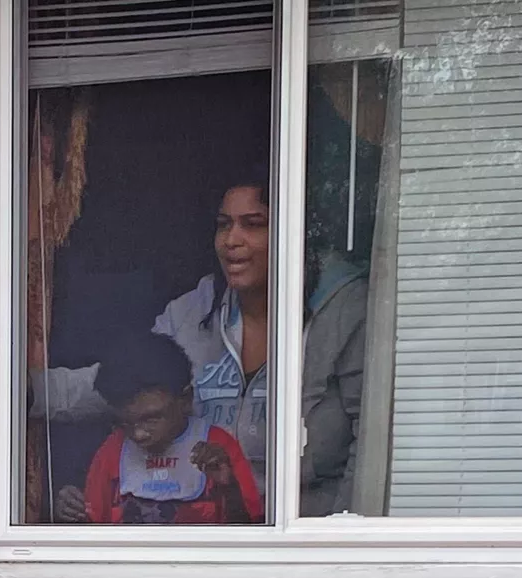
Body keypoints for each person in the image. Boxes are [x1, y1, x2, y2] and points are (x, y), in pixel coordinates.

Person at [30, 171, 369, 519]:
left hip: (303, 528)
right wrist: (24, 393)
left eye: (253, 224)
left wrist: (342, 530)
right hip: (205, 528)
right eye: (224, 225)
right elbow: (124, 383)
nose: (231, 240)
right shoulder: (192, 312)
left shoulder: (343, 309)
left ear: (296, 232)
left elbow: (371, 435)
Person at [72, 332, 262, 524]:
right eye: (126, 423)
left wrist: (230, 489)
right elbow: (93, 523)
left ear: (186, 399)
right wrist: (73, 510)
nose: (138, 434)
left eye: (151, 419)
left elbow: (249, 528)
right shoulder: (113, 451)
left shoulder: (218, 447)